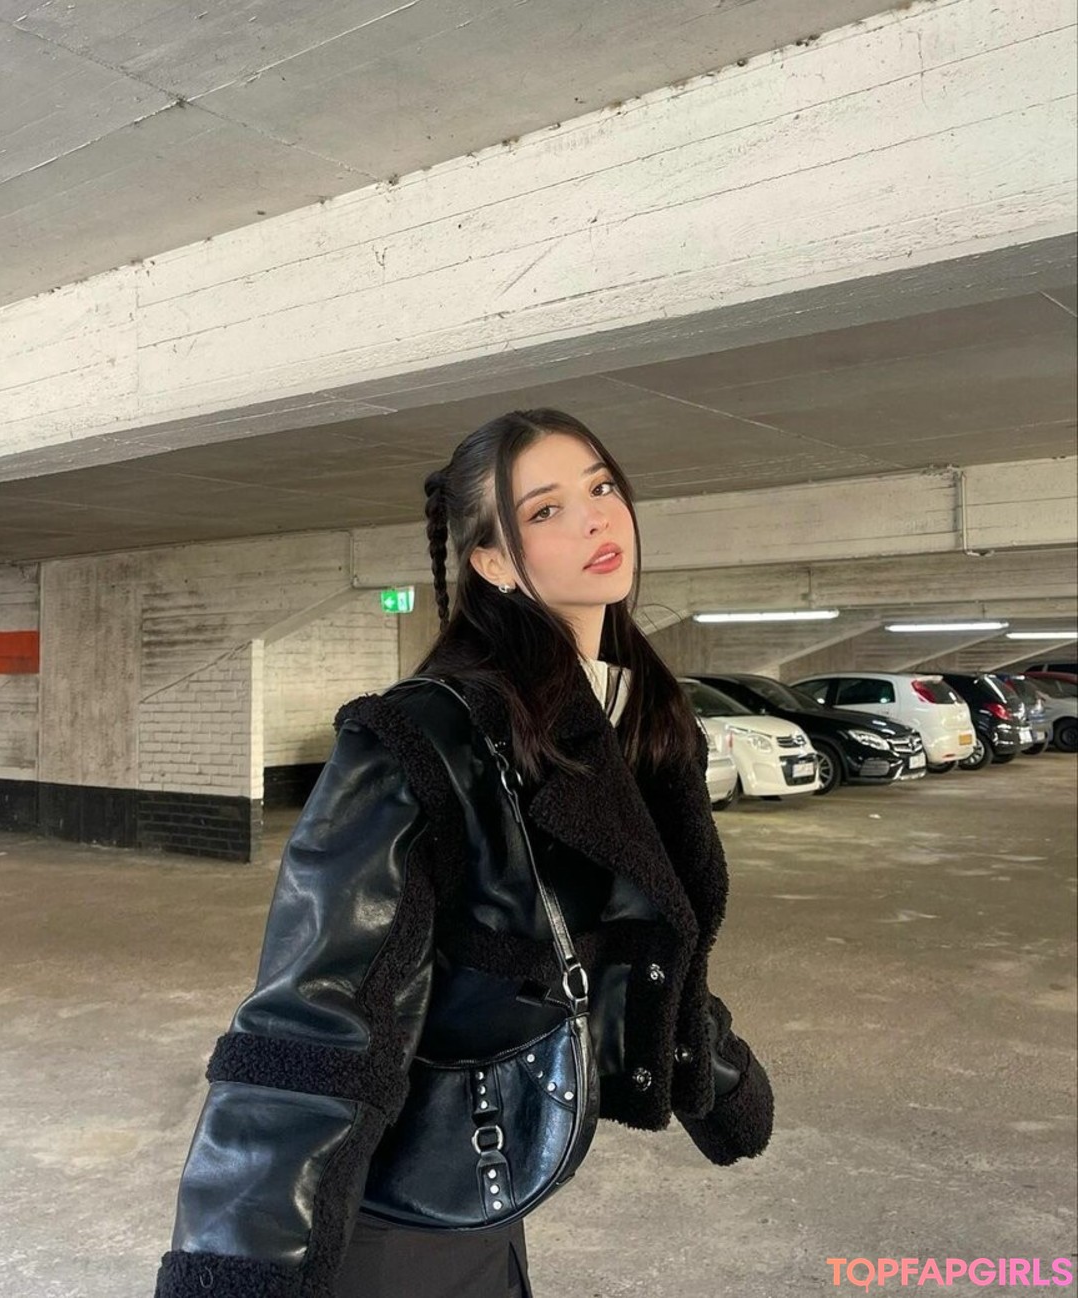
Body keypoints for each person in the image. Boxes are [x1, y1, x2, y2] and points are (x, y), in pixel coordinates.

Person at [155, 408, 774, 1298]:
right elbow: (314, 1015)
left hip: (488, 1181)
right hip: (387, 1209)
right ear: (491, 562)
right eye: (546, 510)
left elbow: (634, 937)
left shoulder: (626, 717)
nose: (596, 519)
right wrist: (235, 1270)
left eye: (601, 487)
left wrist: (716, 1076)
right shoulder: (419, 739)